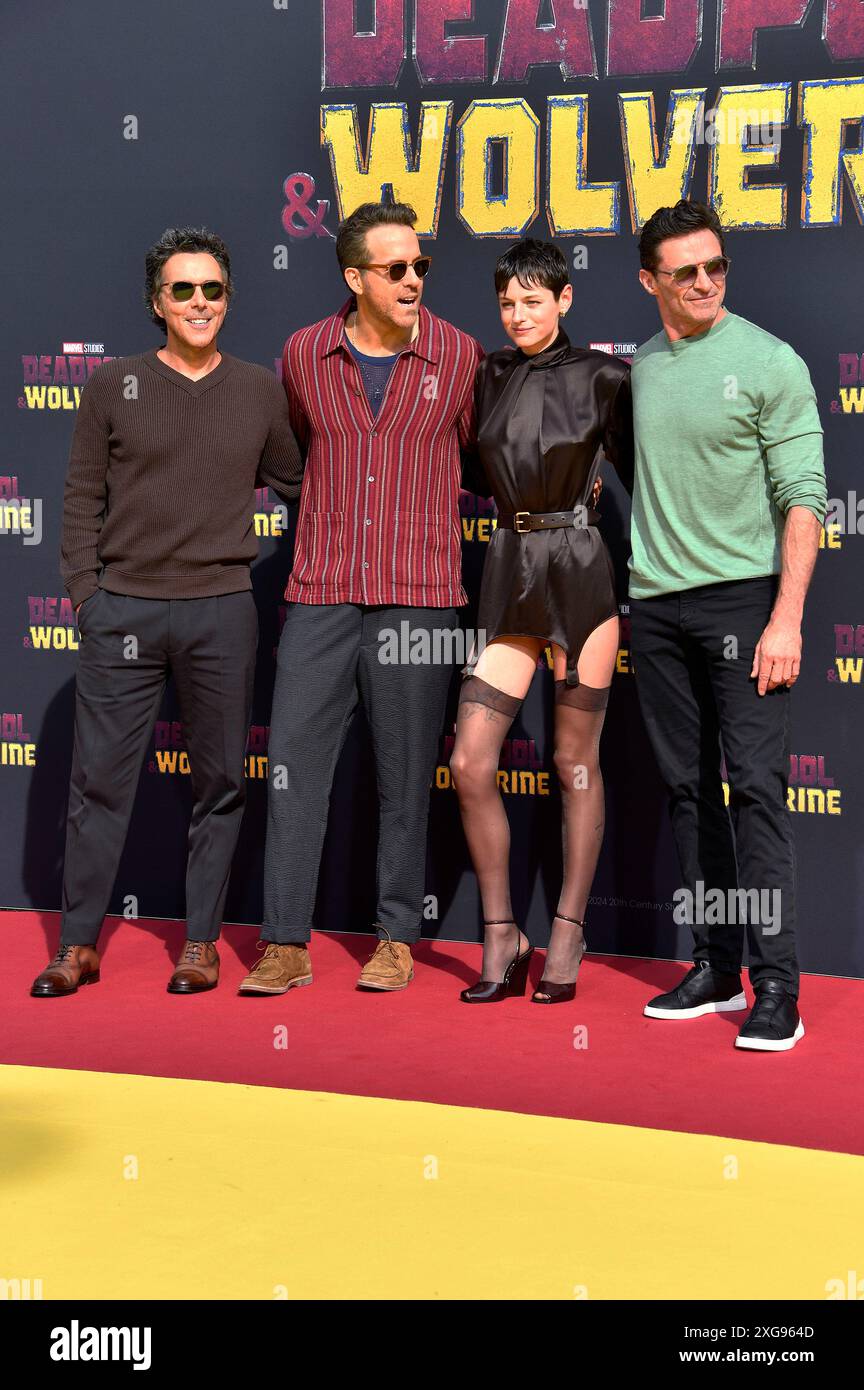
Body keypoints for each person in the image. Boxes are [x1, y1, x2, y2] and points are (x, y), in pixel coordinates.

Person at [30, 227, 302, 998]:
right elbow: (80, 498)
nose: (199, 302)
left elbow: (304, 485)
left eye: (213, 289)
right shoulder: (112, 384)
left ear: (228, 299)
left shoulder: (257, 390)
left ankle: (201, 944)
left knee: (220, 784)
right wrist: (88, 597)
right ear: (158, 302)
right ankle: (77, 946)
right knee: (99, 783)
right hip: (124, 613)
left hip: (222, 610)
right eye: (183, 289)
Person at [238, 201, 484, 995]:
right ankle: (284, 943)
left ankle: (396, 938)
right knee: (292, 768)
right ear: (354, 277)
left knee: (406, 776)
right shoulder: (304, 354)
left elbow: (485, 460)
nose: (414, 279)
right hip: (323, 592)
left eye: (421, 266)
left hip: (420, 594)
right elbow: (293, 458)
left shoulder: (460, 355)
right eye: (396, 268)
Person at [629, 200, 826, 1051]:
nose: (706, 282)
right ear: (651, 282)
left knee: (754, 791)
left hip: (745, 604)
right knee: (686, 793)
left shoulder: (771, 362)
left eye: (716, 266)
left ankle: (777, 987)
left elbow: (804, 500)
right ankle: (715, 966)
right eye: (687, 272)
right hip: (654, 609)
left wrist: (786, 618)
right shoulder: (640, 367)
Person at [448, 239, 633, 1004]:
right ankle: (502, 933)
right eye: (507, 303)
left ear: (564, 299)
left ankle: (567, 929)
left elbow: (646, 480)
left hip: (581, 572)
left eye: (533, 300)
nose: (519, 315)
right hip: (509, 568)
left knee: (572, 761)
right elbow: (468, 467)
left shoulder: (607, 377)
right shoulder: (488, 374)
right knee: (470, 760)